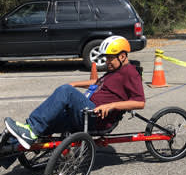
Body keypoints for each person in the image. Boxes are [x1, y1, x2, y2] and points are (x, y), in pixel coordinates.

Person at [4, 36, 145, 149]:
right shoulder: (113, 71)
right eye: (106, 57)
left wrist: (111, 106)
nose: (106, 61)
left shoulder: (130, 72)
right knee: (49, 120)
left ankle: (31, 129)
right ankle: (7, 147)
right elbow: (96, 83)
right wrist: (74, 84)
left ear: (122, 56)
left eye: (110, 57)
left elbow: (140, 102)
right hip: (84, 113)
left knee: (66, 91)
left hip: (95, 117)